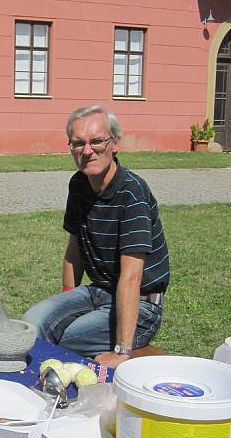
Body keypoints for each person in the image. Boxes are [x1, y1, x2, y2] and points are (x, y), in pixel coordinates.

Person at [23, 105, 170, 369]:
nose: (87, 150)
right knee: (32, 322)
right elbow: (74, 252)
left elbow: (132, 276)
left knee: (68, 338)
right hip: (97, 292)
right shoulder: (78, 184)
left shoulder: (131, 194)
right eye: (79, 143)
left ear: (114, 143)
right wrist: (66, 300)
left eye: (97, 141)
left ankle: (49, 384)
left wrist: (122, 351)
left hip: (143, 307)